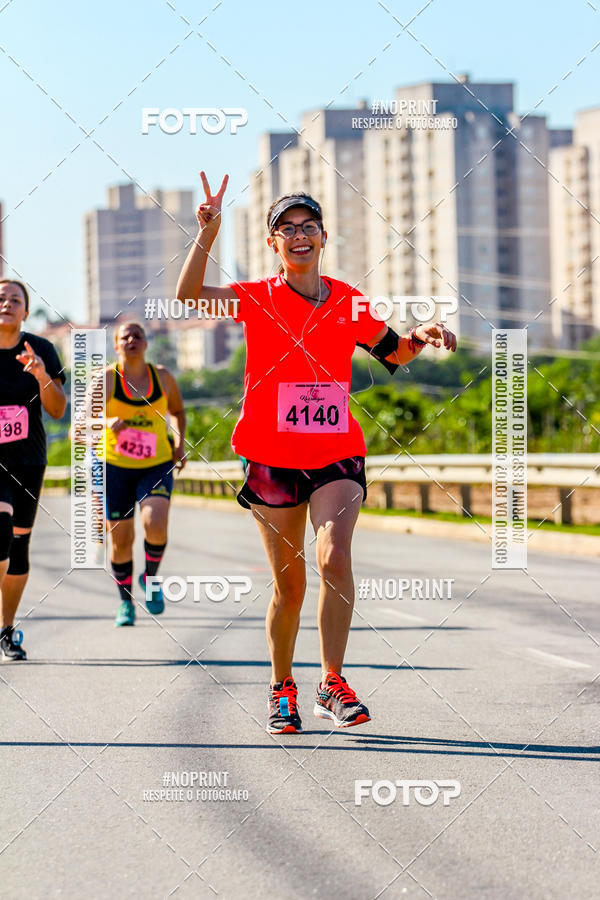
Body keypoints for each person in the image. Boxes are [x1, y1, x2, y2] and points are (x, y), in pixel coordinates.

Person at [176, 173, 457, 733]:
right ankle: (283, 686)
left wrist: (421, 335)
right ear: (273, 243)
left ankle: (332, 681)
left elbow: (393, 354)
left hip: (336, 452)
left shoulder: (349, 301)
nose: (299, 235)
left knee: (335, 558)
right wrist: (207, 232)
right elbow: (187, 298)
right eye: (287, 229)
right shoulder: (257, 297)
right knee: (291, 584)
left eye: (308, 227)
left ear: (324, 237)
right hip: (270, 454)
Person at [94, 321, 186, 627]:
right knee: (121, 541)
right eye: (125, 337)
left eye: (138, 335)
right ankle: (125, 603)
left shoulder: (162, 377)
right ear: (117, 345)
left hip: (156, 463)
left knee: (155, 521)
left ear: (146, 343)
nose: (132, 339)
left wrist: (179, 442)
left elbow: (177, 411)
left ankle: (150, 576)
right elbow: (76, 429)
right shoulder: (106, 380)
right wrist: (106, 424)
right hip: (115, 466)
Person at [0, 279, 67, 660]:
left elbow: (57, 409)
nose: (7, 304)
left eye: (15, 300)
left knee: (19, 547)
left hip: (27, 460)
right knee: (0, 528)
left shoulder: (40, 349)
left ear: (26, 311)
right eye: (1, 298)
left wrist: (41, 375)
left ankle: (6, 629)